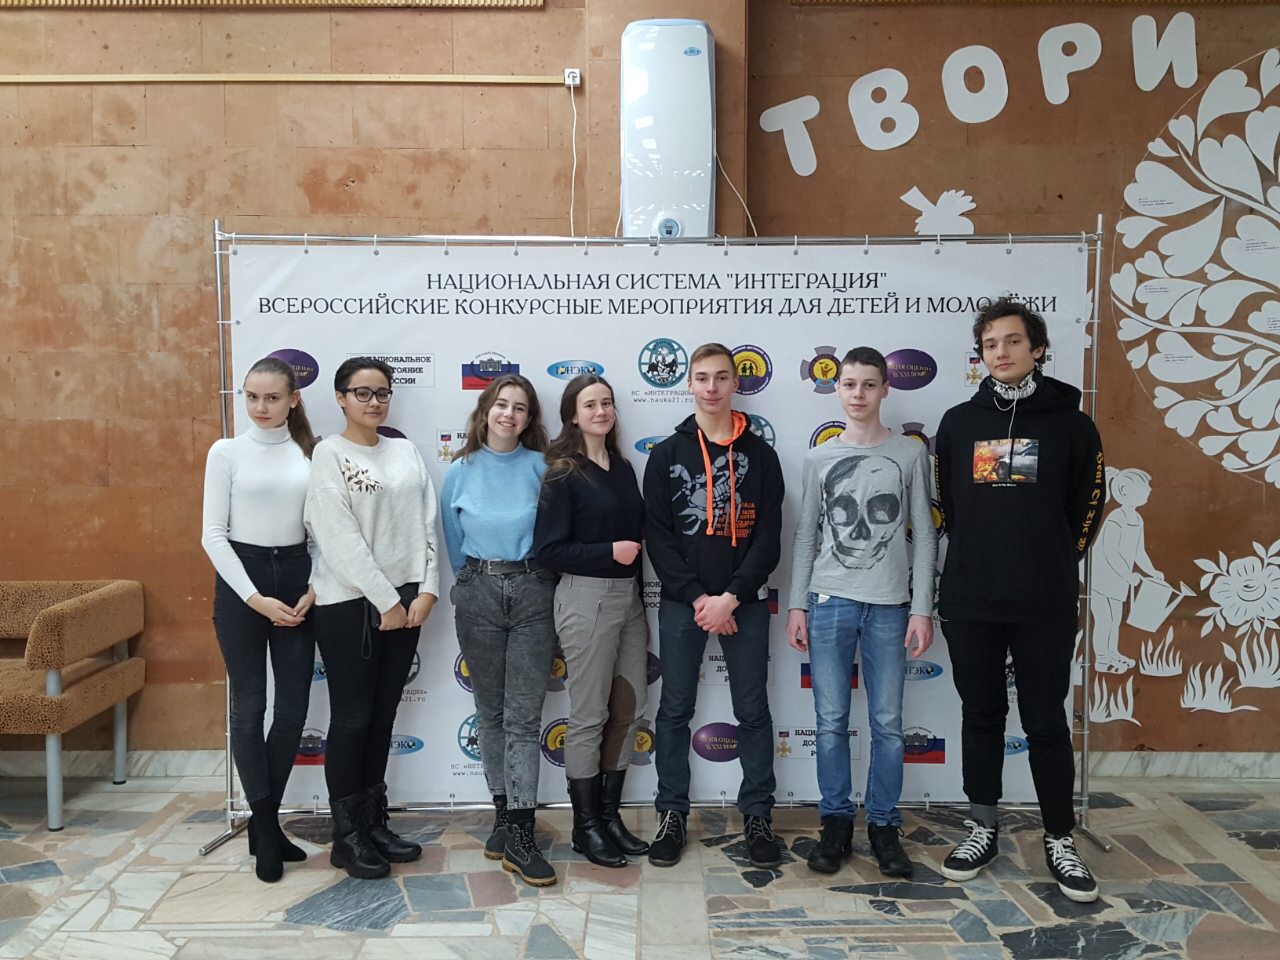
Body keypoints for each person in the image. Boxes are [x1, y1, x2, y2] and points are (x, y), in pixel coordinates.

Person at [934, 298, 1106, 903]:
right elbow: (950, 507)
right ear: (980, 355)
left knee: (1046, 721)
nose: (1000, 352)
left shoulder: (1073, 425)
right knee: (980, 716)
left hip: (1043, 601)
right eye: (990, 344)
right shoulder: (958, 422)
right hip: (972, 598)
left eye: (1012, 341)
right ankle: (981, 827)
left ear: (1037, 349)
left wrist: (1052, 560)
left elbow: (1087, 507)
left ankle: (1060, 837)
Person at [786, 347, 936, 878]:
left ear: (885, 389)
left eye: (869, 384)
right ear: (837, 388)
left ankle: (884, 826)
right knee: (830, 722)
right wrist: (797, 603)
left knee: (888, 724)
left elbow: (925, 535)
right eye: (849, 384)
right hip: (829, 602)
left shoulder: (911, 455)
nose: (858, 394)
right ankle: (835, 823)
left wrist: (922, 608)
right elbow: (807, 535)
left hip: (890, 605)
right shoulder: (819, 458)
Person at [643, 342, 785, 868]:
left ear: (735, 383)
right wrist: (701, 599)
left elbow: (769, 539)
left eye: (721, 377)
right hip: (685, 603)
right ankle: (671, 814)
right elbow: (659, 540)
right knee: (674, 710)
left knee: (753, 711)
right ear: (689, 384)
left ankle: (758, 816)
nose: (711, 387)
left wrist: (731, 597)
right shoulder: (666, 455)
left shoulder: (762, 456)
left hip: (744, 603)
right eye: (702, 377)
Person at [304, 357, 440, 880]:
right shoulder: (329, 454)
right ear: (340, 398)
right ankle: (347, 837)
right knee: (353, 718)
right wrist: (386, 600)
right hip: (350, 605)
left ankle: (373, 822)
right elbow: (337, 537)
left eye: (382, 392)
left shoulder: (404, 451)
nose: (374, 402)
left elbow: (427, 522)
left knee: (383, 717)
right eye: (362, 393)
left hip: (407, 602)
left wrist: (427, 588)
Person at [201, 356, 318, 883]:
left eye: (272, 398)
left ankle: (263, 825)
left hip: (297, 578)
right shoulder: (225, 452)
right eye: (251, 397)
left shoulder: (312, 453)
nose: (260, 407)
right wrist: (253, 598)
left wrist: (315, 588)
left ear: (293, 399)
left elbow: (323, 531)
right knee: (249, 708)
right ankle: (267, 830)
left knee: (292, 709)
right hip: (240, 582)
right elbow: (212, 534)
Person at [440, 374, 558, 887]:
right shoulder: (460, 471)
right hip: (478, 590)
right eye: (502, 404)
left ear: (529, 419)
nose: (509, 414)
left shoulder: (542, 468)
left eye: (520, 408)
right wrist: (471, 584)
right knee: (490, 713)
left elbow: (552, 533)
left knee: (524, 718)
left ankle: (522, 834)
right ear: (486, 410)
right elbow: (452, 539)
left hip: (533, 590)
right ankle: (503, 815)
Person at [533, 374, 650, 869]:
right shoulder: (562, 473)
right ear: (573, 416)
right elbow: (547, 551)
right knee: (588, 716)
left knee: (629, 708)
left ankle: (608, 816)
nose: (601, 411)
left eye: (607, 403)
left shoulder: (623, 468)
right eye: (590, 405)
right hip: (586, 598)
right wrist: (608, 552)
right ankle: (585, 828)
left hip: (629, 602)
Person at [1091, 467, 1160, 674]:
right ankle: (1102, 660)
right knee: (1104, 619)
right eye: (1143, 487)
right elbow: (1110, 552)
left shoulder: (1137, 519)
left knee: (1115, 620)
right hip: (1100, 579)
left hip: (1118, 580)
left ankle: (1112, 653)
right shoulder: (1116, 518)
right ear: (1124, 491)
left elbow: (1139, 552)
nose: (1149, 491)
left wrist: (1152, 572)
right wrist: (1128, 575)